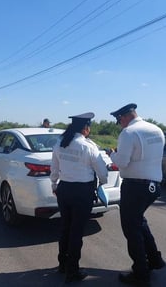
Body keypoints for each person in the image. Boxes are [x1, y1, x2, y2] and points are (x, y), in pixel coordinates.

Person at [108, 103, 166, 286]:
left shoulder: (128, 133)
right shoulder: (156, 130)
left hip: (135, 187)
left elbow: (122, 162)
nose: (120, 125)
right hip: (153, 185)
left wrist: (112, 155)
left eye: (119, 121)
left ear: (123, 117)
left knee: (131, 230)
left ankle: (141, 273)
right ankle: (155, 259)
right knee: (139, 222)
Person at [50, 112, 108, 283]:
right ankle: (72, 270)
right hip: (82, 192)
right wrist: (102, 183)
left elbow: (54, 168)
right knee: (76, 231)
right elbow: (102, 173)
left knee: (65, 227)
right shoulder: (88, 146)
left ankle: (62, 264)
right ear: (85, 128)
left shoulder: (60, 143)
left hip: (64, 189)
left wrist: (54, 185)